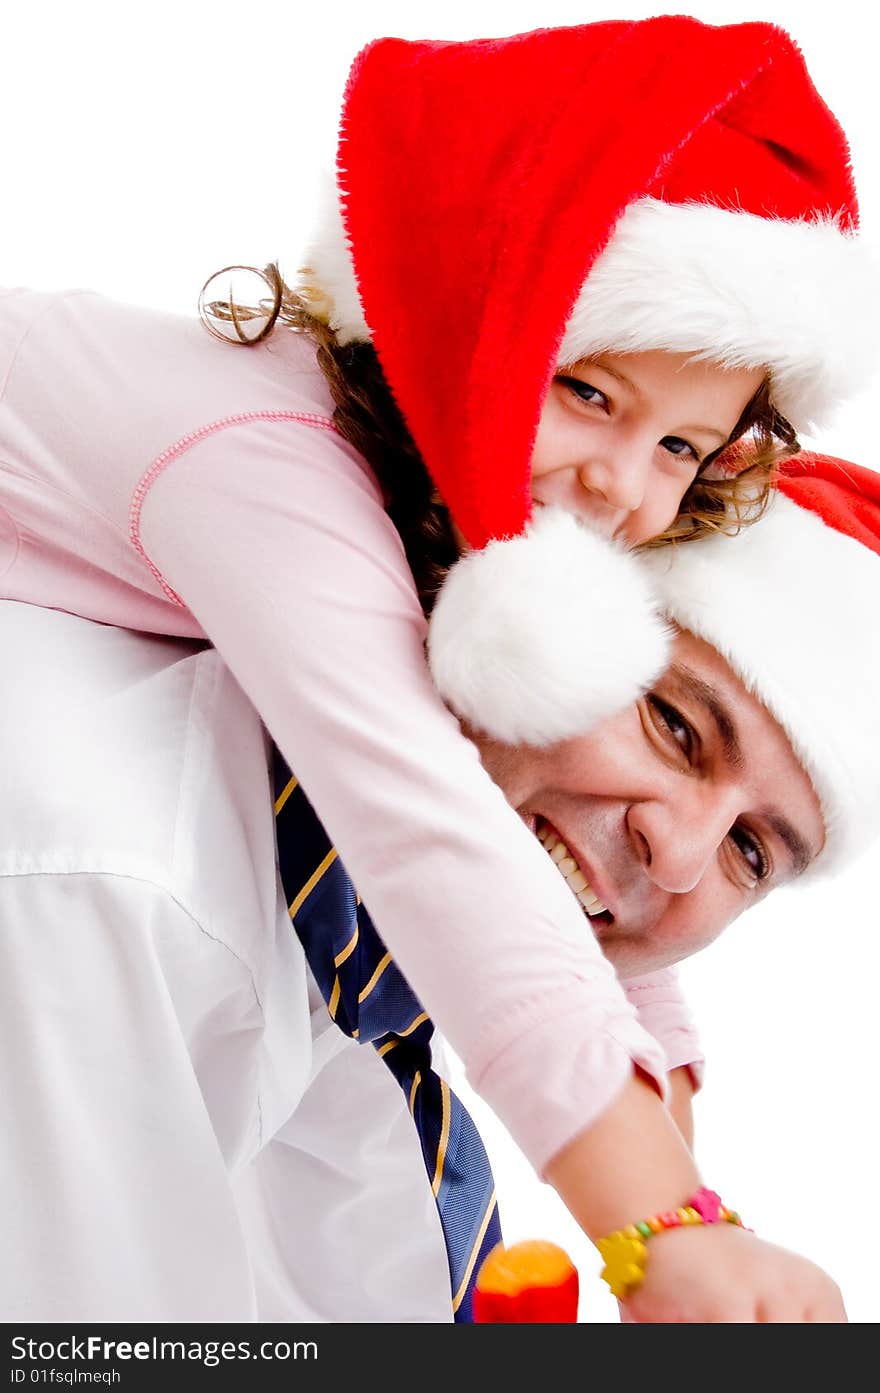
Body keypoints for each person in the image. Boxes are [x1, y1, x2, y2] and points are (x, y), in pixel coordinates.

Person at [0, 17, 875, 1320]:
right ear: (474, 313)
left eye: (683, 449)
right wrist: (660, 1232)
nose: (622, 494)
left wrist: (691, 1169)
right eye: (587, 393)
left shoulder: (451, 540)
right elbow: (433, 828)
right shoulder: (269, 474)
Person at [1, 453, 878, 1323]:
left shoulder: (365, 951)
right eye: (674, 724)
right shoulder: (116, 893)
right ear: (519, 619)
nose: (679, 856)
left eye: (753, 852)